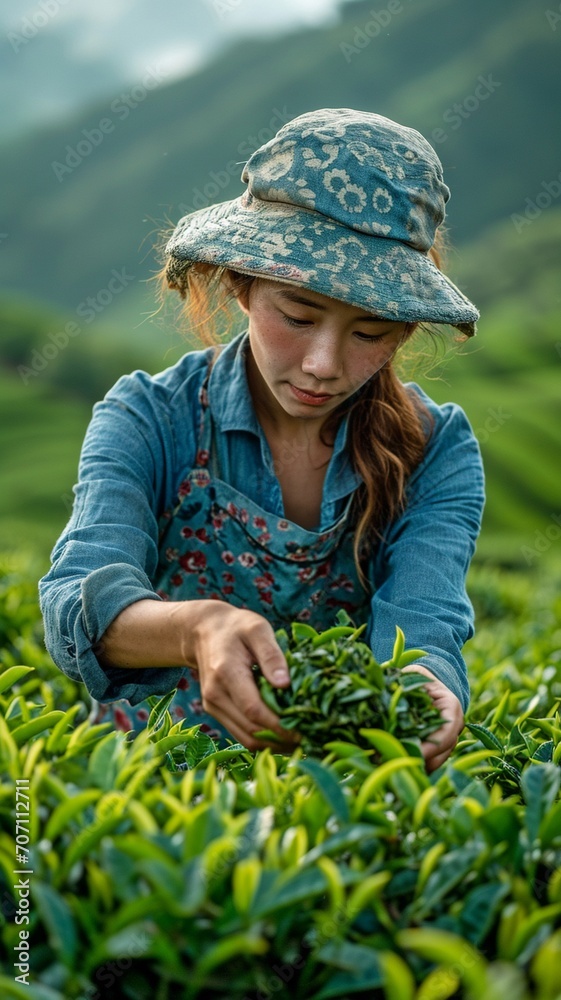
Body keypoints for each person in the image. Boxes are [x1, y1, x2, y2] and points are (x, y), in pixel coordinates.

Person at [39, 108, 485, 772]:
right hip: (151, 789)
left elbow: (423, 623)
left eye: (370, 332)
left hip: (330, 794)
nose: (323, 364)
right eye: (297, 315)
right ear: (241, 285)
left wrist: (425, 691)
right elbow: (74, 599)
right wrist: (196, 629)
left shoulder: (436, 450)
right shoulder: (149, 417)